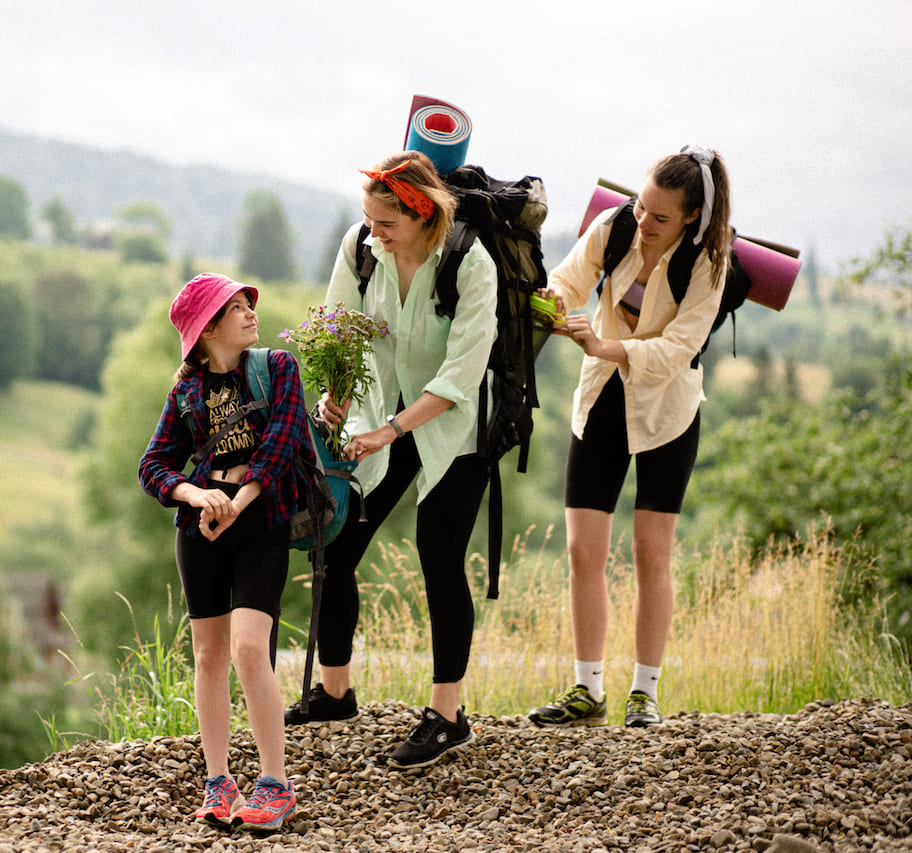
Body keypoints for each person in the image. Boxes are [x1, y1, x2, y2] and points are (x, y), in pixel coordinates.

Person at [282, 151, 498, 771]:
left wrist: (390, 433)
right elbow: (340, 332)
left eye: (387, 226)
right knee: (338, 543)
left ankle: (448, 717)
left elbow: (461, 375)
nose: (373, 235)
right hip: (375, 412)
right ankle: (335, 692)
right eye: (369, 222)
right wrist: (336, 399)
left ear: (423, 214)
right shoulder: (360, 248)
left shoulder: (469, 264)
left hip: (453, 425)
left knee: (438, 551)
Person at [528, 146, 732, 728]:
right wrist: (554, 303)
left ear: (691, 217)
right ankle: (586, 691)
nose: (644, 222)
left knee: (651, 554)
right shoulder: (615, 224)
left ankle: (644, 693)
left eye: (660, 217)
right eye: (642, 207)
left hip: (669, 410)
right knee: (582, 551)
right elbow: (570, 279)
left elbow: (679, 349)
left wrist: (605, 344)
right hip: (602, 399)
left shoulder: (709, 261)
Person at [138, 273, 308, 830]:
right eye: (234, 309)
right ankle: (218, 781)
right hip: (200, 529)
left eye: (246, 305)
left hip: (262, 524)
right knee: (208, 656)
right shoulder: (186, 392)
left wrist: (240, 499)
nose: (249, 314)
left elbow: (282, 444)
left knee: (249, 649)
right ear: (207, 330)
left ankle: (275, 784)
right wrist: (194, 493)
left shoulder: (278, 368)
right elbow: (153, 465)